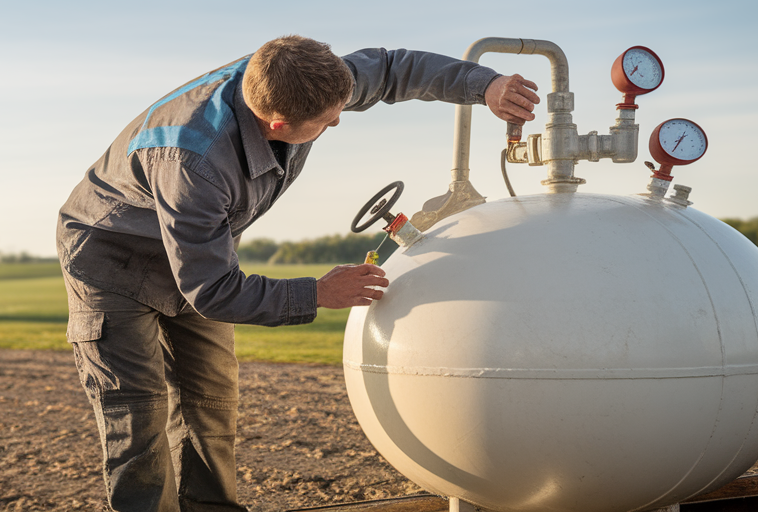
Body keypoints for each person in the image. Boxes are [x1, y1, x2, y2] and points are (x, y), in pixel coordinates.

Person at [55, 35, 540, 511]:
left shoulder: (303, 78)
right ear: (278, 123)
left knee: (211, 396)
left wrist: (486, 85)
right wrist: (317, 293)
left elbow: (393, 69)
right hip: (113, 260)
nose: (337, 123)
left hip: (197, 251)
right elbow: (214, 291)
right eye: (326, 123)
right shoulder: (195, 161)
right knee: (137, 414)